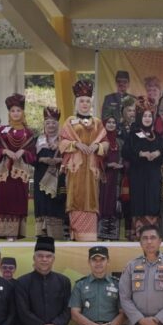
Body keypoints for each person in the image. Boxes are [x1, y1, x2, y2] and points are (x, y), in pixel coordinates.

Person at [59, 80, 109, 242]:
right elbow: (62, 143)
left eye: (88, 101)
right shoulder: (69, 121)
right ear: (76, 102)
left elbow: (106, 143)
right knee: (75, 197)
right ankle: (76, 235)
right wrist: (76, 144)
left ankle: (90, 237)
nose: (85, 104)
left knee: (92, 197)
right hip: (76, 167)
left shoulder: (97, 122)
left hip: (92, 168)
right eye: (82, 101)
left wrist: (97, 146)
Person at [0, 93, 36, 240]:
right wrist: (5, 151)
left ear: (23, 112)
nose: (15, 113)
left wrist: (23, 151)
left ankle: (15, 234)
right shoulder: (1, 130)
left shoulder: (29, 133)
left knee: (18, 200)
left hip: (19, 174)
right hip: (4, 173)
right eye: (12, 111)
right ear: (9, 113)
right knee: (3, 198)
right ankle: (2, 233)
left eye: (18, 110)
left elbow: (34, 153)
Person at [124, 97, 163, 240]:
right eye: (145, 116)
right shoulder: (133, 134)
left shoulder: (157, 136)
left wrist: (158, 153)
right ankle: (138, 236)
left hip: (154, 175)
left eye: (150, 116)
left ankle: (153, 237)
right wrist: (140, 154)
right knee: (139, 202)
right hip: (138, 175)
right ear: (139, 117)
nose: (147, 119)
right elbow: (126, 152)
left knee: (153, 202)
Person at [34, 107, 67, 240]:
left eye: (53, 123)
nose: (51, 126)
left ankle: (57, 236)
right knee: (41, 203)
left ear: (58, 125)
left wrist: (59, 160)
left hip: (58, 178)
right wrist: (42, 159)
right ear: (44, 124)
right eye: (48, 123)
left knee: (56, 203)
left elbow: (71, 158)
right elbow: (30, 158)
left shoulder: (64, 141)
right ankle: (41, 235)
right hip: (40, 177)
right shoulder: (38, 140)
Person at [98, 115, 124, 241]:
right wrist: (108, 165)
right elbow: (96, 160)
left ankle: (113, 236)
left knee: (115, 204)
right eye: (109, 122)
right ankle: (102, 235)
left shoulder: (120, 142)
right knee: (104, 202)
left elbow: (126, 158)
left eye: (114, 122)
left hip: (117, 178)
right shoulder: (100, 141)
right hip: (104, 178)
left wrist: (123, 165)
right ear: (104, 124)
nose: (111, 124)